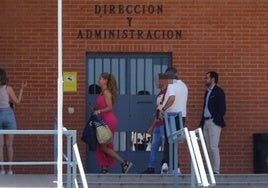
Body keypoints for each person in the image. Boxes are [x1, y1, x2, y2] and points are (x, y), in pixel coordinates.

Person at [93, 72, 132, 174]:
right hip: (103, 120)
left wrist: (100, 111)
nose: (98, 80)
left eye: (100, 79)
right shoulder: (102, 92)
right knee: (102, 144)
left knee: (103, 145)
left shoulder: (106, 92)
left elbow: (110, 107)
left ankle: (124, 162)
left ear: (105, 81)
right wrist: (96, 109)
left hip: (108, 120)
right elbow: (103, 106)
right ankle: (105, 167)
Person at [159, 67, 188, 174]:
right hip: (182, 116)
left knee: (168, 139)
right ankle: (176, 167)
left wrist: (163, 109)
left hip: (171, 116)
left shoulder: (172, 86)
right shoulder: (184, 86)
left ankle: (166, 163)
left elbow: (171, 99)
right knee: (176, 141)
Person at [0, 68, 27, 175]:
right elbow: (17, 102)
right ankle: (10, 170)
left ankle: (2, 170)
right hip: (8, 115)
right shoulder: (8, 89)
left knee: (0, 146)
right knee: (9, 145)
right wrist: (21, 89)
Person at [199, 71, 226, 174]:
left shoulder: (218, 92)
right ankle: (210, 169)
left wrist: (216, 119)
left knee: (213, 146)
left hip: (213, 121)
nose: (205, 80)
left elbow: (222, 109)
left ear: (213, 79)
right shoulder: (207, 92)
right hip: (206, 121)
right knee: (207, 147)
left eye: (207, 78)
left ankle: (216, 170)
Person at [141, 76, 167, 174]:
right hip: (158, 124)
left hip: (164, 124)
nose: (156, 83)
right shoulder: (159, 94)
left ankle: (165, 166)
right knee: (154, 146)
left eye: (157, 81)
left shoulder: (167, 93)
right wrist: (152, 126)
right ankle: (151, 167)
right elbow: (157, 112)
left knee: (165, 146)